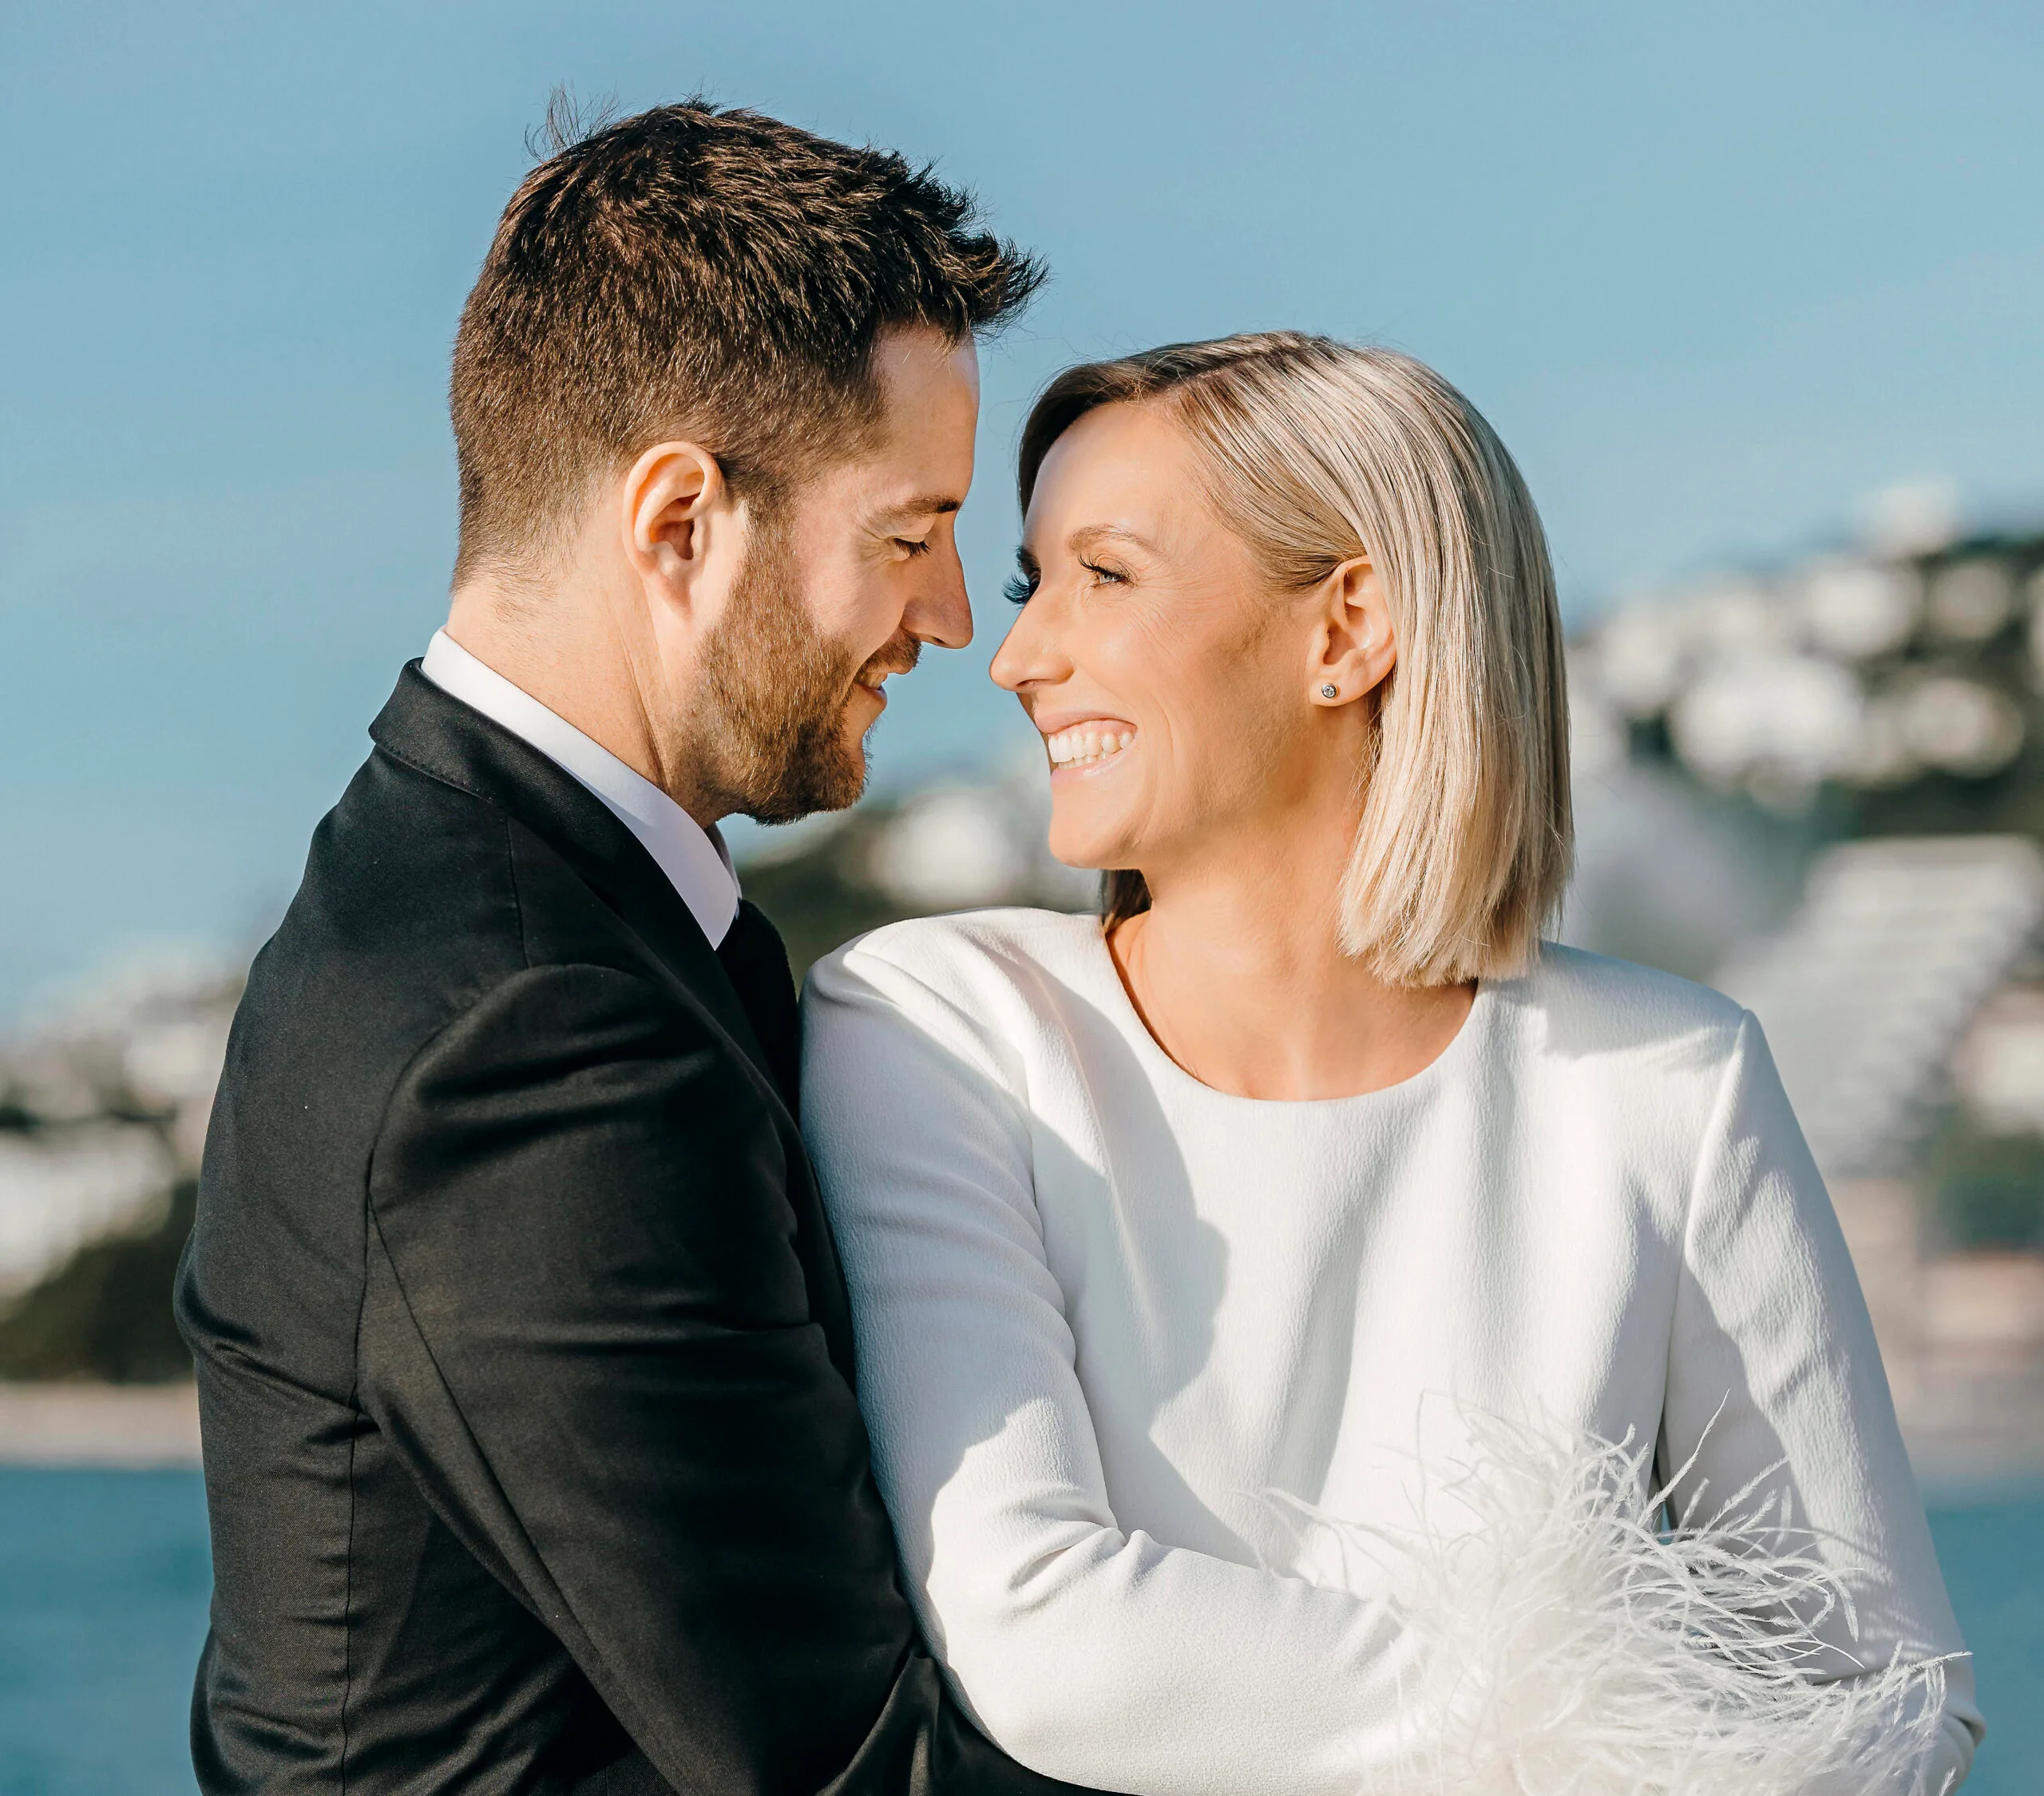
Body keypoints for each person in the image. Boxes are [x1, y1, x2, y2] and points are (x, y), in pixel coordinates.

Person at [802, 334, 1983, 1792]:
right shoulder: (934, 1022)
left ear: (1350, 625)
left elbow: (1888, 1696)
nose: (1020, 654)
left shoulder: (1674, 1080)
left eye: (1102, 576)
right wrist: (1581, 1724)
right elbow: (1034, 1630)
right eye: (1039, 585)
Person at [174, 100, 1098, 1796]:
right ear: (678, 520)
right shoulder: (522, 1023)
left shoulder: (514, 909)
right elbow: (842, 1764)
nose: (955, 618)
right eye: (908, 534)